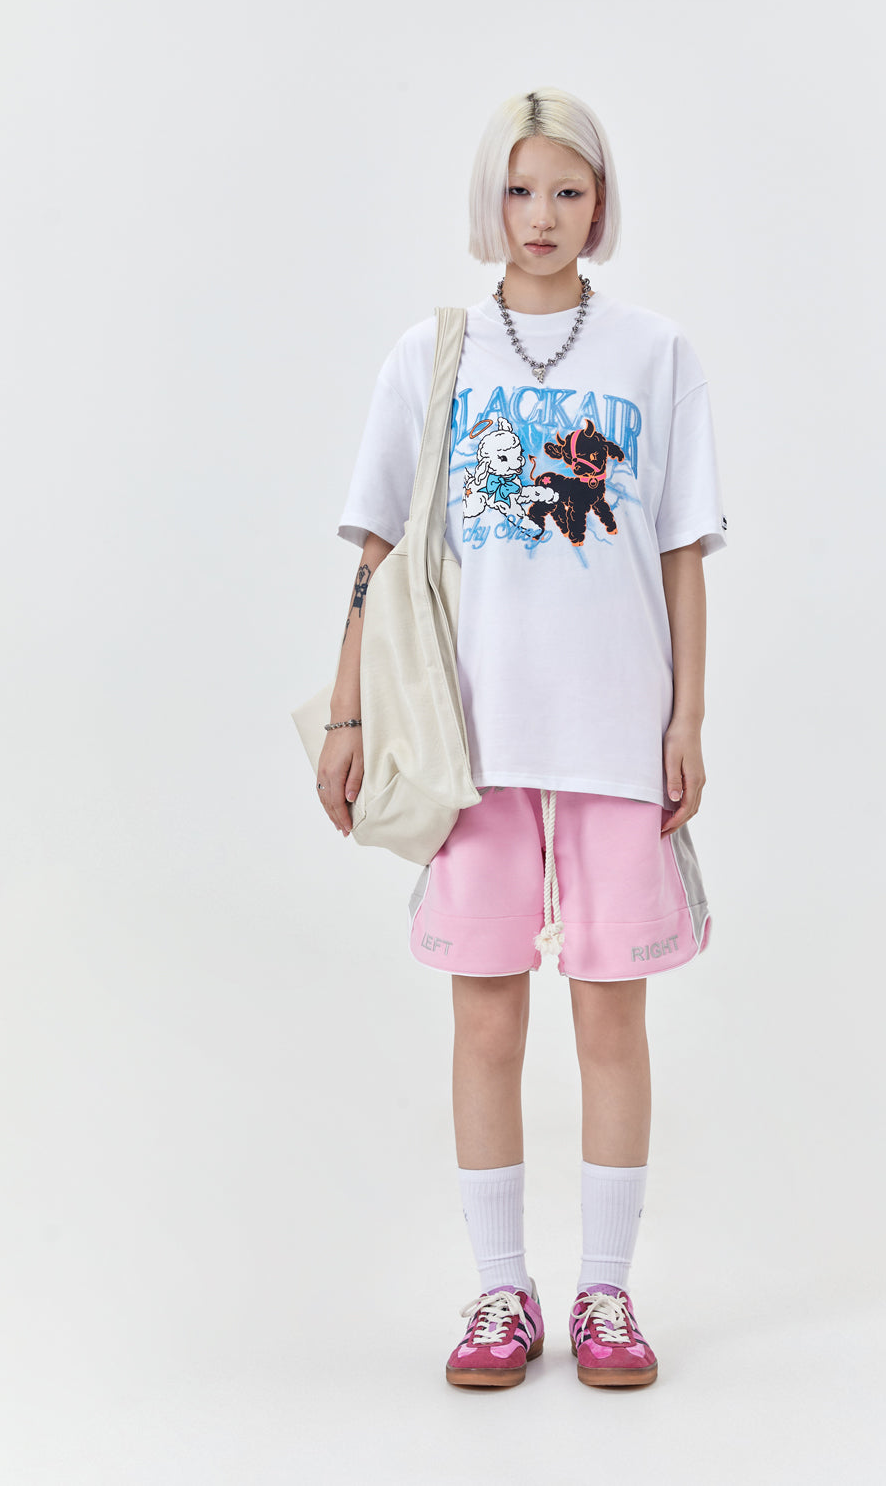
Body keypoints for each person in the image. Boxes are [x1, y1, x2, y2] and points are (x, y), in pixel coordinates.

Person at [315, 87, 728, 1389]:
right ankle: (501, 1293)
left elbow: (680, 551)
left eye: (566, 190)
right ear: (485, 198)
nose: (539, 215)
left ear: (600, 204)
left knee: (611, 1021)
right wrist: (347, 711)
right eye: (516, 188)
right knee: (486, 1019)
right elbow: (380, 553)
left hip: (612, 736)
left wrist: (686, 718)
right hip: (472, 745)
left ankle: (606, 1294)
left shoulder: (655, 352)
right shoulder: (429, 355)